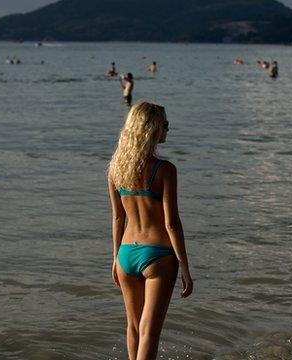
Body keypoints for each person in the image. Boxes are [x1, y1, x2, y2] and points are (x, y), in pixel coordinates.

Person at [108, 102, 193, 360]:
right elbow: (172, 223)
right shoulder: (165, 170)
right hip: (158, 256)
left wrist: (115, 258)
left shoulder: (116, 170)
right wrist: (185, 267)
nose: (168, 129)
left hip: (125, 255)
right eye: (165, 124)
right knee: (150, 333)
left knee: (133, 327)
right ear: (153, 129)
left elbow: (117, 217)